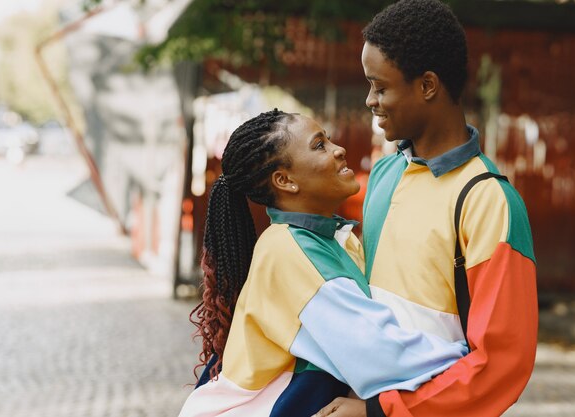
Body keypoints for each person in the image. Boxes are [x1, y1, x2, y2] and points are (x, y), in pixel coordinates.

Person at [314, 1, 538, 416]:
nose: (370, 100)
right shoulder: (383, 175)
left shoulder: (488, 201)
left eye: (380, 87)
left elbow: (502, 364)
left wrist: (380, 411)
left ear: (428, 85)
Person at [178, 109, 469, 417]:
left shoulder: (331, 239)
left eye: (328, 139)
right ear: (285, 180)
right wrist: (470, 360)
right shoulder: (291, 253)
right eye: (319, 145)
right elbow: (382, 356)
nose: (338, 149)